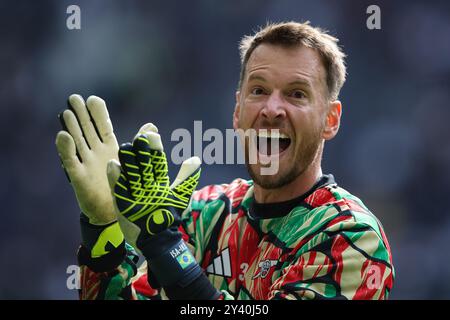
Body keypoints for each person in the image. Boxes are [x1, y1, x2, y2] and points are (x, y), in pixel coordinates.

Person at [55, 21, 394, 300]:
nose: (272, 109)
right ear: (237, 111)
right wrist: (103, 232)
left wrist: (165, 245)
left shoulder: (350, 237)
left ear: (330, 120)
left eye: (296, 94)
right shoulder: (203, 213)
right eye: (258, 90)